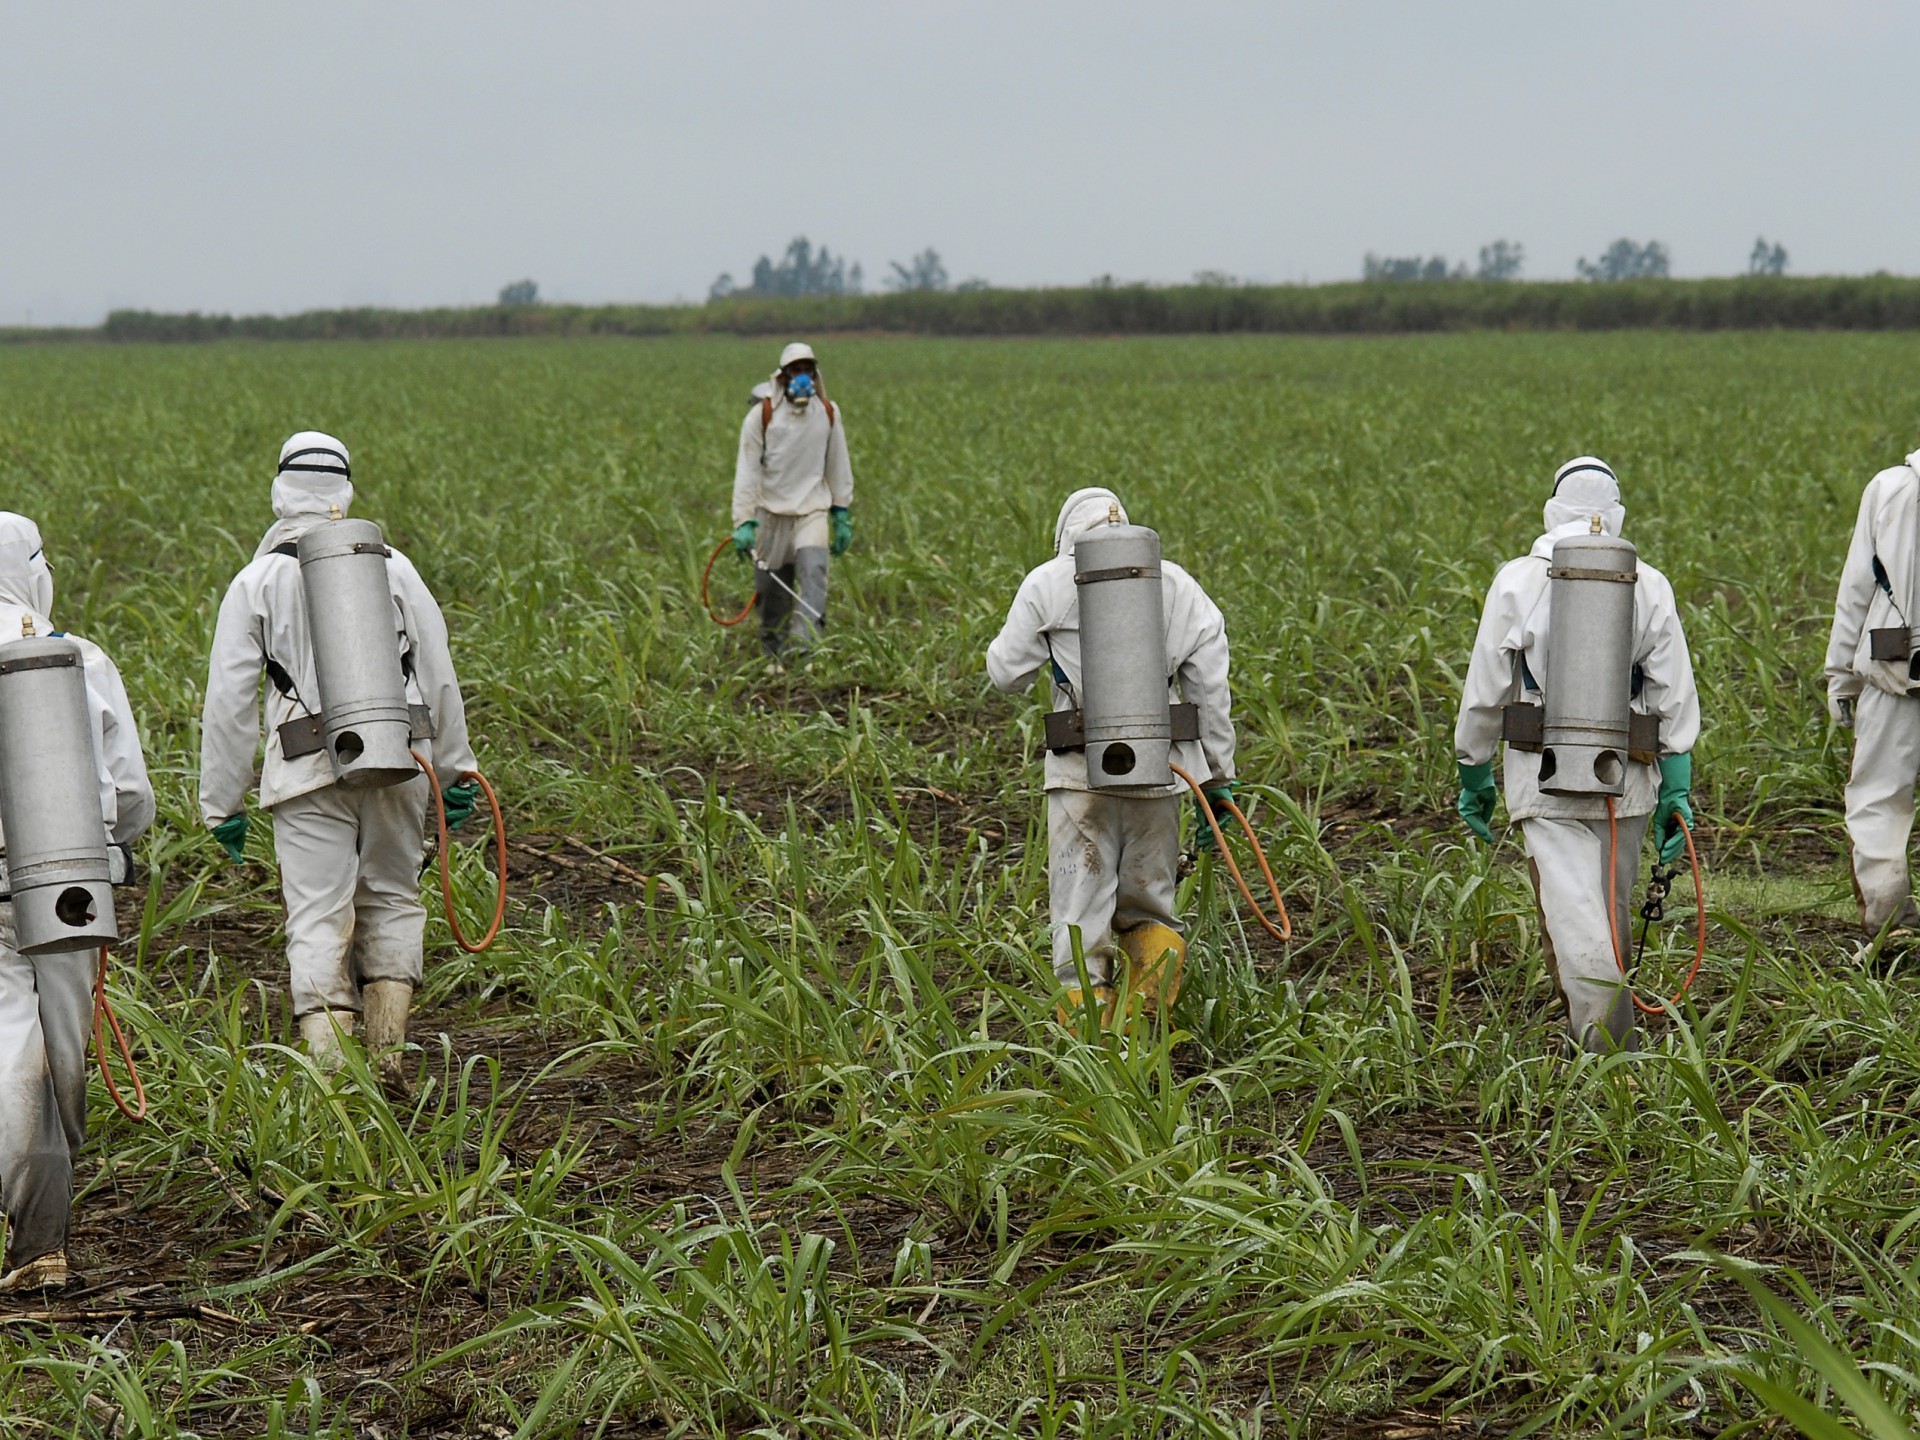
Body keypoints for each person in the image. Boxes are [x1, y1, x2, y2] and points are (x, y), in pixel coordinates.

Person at [199, 433, 478, 1084]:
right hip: (400, 758)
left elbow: (229, 705)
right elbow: (437, 674)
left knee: (319, 917)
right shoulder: (393, 565)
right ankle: (387, 1057)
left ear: (280, 490)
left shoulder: (257, 581)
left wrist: (222, 802)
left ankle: (331, 1088)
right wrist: (458, 768)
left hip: (303, 772)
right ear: (346, 490)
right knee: (392, 897)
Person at [1454, 457, 1699, 1052]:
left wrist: (1474, 769)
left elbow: (1487, 685)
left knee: (1572, 914)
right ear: (1615, 514)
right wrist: (1677, 784)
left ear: (1550, 510)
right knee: (1610, 910)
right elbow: (1673, 689)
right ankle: (1604, 1032)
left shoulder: (1517, 579)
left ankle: (1602, 1046)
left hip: (1542, 776)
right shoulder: (1651, 582)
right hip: (1629, 775)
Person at [986, 488, 1236, 1020]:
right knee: (1151, 910)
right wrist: (1216, 778)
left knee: (1079, 923)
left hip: (1080, 781)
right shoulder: (1178, 585)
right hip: (1162, 773)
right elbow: (1210, 686)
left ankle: (1093, 1060)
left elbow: (1006, 673)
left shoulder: (1048, 583)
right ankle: (1143, 1041)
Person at [0, 514, 153, 1292]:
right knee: (55, 1051)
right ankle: (43, 1245)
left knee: (4, 1035)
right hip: (69, 884)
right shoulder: (79, 656)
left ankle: (23, 1234)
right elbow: (131, 793)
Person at [1826, 444, 1920, 940]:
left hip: (1894, 669)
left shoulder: (1890, 488)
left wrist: (1840, 675)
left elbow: (1857, 588)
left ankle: (1890, 925)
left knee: (1879, 799)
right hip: (1892, 671)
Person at [730, 342, 856, 662]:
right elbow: (747, 470)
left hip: (811, 510)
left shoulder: (828, 413)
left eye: (807, 370)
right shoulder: (762, 416)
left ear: (815, 374)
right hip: (771, 514)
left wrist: (841, 513)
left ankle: (805, 650)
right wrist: (743, 522)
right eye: (795, 371)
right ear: (783, 376)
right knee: (772, 589)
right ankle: (774, 653)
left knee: (814, 572)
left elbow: (838, 463)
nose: (802, 377)